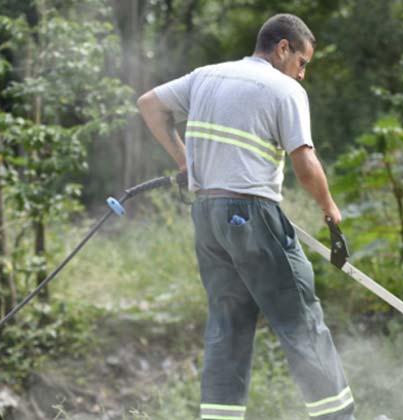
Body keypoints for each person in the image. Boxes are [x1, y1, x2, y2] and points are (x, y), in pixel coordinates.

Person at [137, 13, 355, 420]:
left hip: (207, 217)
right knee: (301, 319)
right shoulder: (283, 89)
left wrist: (188, 163)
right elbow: (305, 165)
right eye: (302, 62)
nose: (302, 74)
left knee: (228, 327)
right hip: (252, 213)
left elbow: (148, 104)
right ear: (283, 48)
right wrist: (329, 208)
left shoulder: (206, 76)